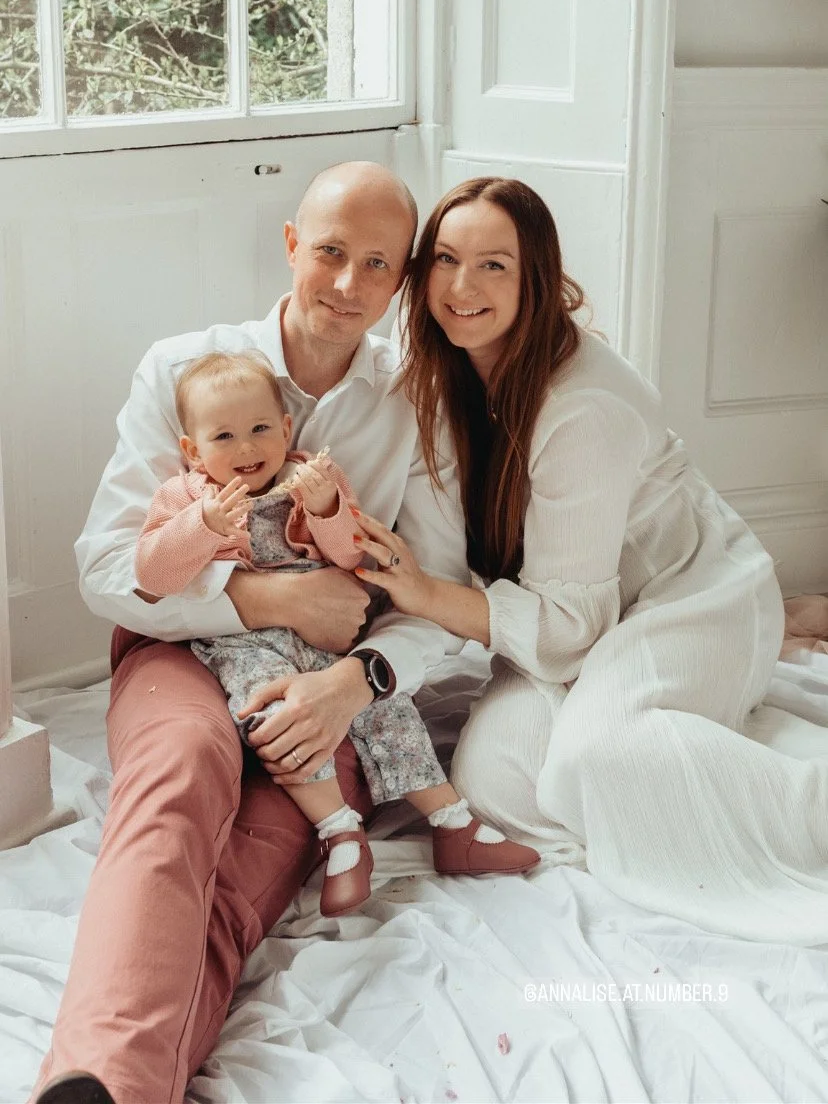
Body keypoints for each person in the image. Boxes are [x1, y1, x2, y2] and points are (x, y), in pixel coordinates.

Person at [31, 161, 517, 1104]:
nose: (347, 284)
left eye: (378, 264)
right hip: (179, 651)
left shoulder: (416, 403)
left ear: (402, 280)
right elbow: (106, 570)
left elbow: (442, 591)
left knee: (249, 867)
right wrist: (269, 602)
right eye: (330, 251)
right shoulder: (183, 369)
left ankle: (107, 1085)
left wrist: (353, 684)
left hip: (329, 678)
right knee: (178, 782)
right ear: (292, 246)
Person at [352, 175, 828, 947]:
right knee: (492, 780)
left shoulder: (584, 405)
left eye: (494, 265)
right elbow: (436, 569)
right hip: (563, 611)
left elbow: (552, 622)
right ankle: (688, 747)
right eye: (445, 259)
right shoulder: (437, 381)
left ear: (535, 278)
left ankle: (795, 798)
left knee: (597, 754)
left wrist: (426, 594)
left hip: (687, 598)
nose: (462, 286)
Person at [135, 347, 538, 919]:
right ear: (193, 451)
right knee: (272, 717)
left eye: (258, 429)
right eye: (223, 438)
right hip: (246, 641)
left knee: (382, 705)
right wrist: (200, 530)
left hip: (328, 633)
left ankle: (452, 822)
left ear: (286, 428)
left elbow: (353, 554)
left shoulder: (308, 477)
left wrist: (326, 506)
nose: (246, 448)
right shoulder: (188, 498)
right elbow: (152, 573)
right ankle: (340, 832)